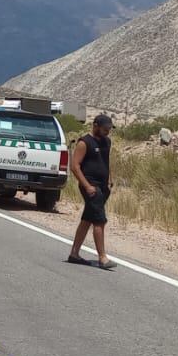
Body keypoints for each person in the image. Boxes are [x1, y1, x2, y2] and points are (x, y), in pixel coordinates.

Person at [68, 114, 118, 270]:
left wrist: (110, 179)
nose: (107, 132)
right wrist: (87, 186)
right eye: (105, 129)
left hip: (103, 187)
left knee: (88, 219)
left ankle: (74, 254)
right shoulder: (84, 142)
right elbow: (75, 166)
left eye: (109, 129)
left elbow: (106, 162)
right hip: (90, 186)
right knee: (99, 220)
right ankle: (102, 258)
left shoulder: (107, 142)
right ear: (96, 126)